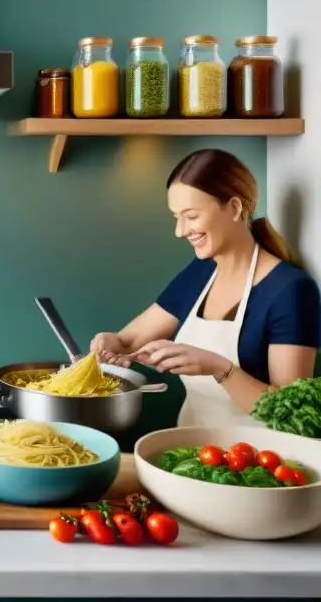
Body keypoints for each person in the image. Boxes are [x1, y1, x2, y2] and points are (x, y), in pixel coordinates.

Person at [90, 148, 320, 427]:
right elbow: (128, 342)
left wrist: (220, 368)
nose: (181, 230)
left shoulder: (291, 291)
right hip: (192, 453)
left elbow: (292, 415)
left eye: (191, 216)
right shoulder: (201, 272)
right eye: (176, 216)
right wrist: (111, 342)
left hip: (259, 463)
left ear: (234, 208)